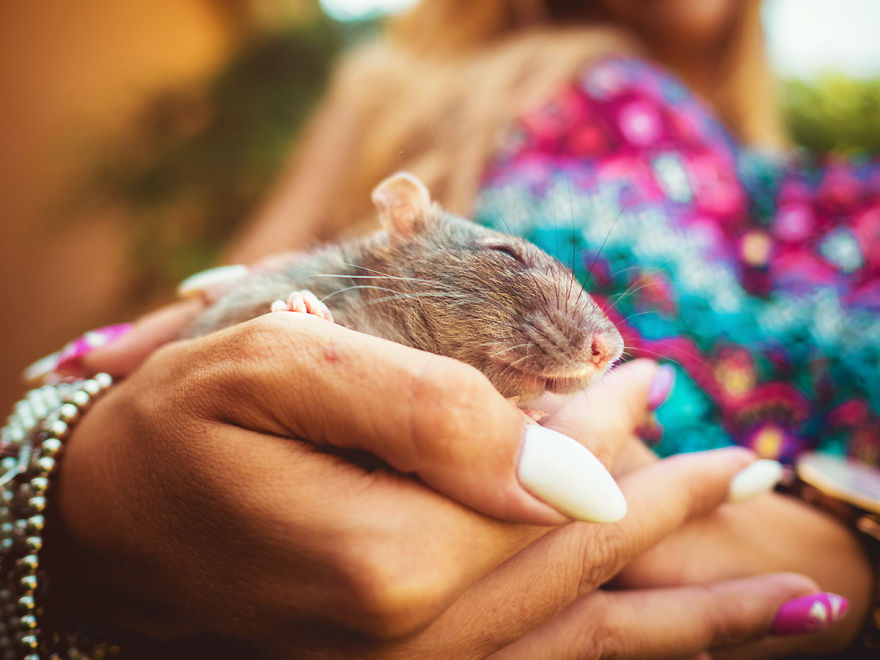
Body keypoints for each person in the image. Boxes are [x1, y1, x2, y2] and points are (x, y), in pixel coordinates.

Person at [14, 0, 877, 657]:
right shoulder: (408, 85)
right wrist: (93, 481)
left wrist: (831, 561)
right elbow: (221, 337)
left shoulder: (858, 197)